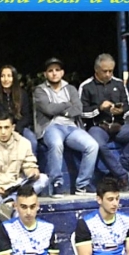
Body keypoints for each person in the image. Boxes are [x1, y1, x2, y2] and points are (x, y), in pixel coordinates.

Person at [33, 57, 99, 196]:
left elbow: (78, 109)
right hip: (51, 126)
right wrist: (66, 105)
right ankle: (56, 184)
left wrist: (62, 109)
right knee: (56, 144)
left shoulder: (70, 88)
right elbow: (48, 110)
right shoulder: (40, 90)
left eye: (57, 70)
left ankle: (82, 185)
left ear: (62, 72)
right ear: (45, 74)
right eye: (50, 71)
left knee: (92, 145)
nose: (54, 73)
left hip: (71, 127)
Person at [79, 53, 129, 192]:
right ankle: (121, 175)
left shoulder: (119, 84)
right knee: (98, 144)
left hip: (118, 125)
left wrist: (120, 111)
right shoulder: (86, 86)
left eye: (111, 71)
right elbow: (81, 112)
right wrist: (99, 108)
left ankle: (116, 171)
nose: (108, 74)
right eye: (105, 71)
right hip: (98, 126)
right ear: (96, 70)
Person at [0, 112, 48, 221]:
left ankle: (11, 201)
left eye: (6, 127)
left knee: (43, 179)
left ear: (13, 127)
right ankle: (12, 206)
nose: (3, 132)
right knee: (14, 212)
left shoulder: (23, 143)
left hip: (16, 186)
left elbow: (29, 164)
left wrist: (33, 172)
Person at [0, 64, 37, 154]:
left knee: (32, 141)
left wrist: (16, 128)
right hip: (0, 127)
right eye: (3, 76)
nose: (6, 79)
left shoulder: (22, 94)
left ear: (14, 78)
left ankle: (30, 166)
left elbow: (27, 116)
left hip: (19, 127)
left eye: (9, 76)